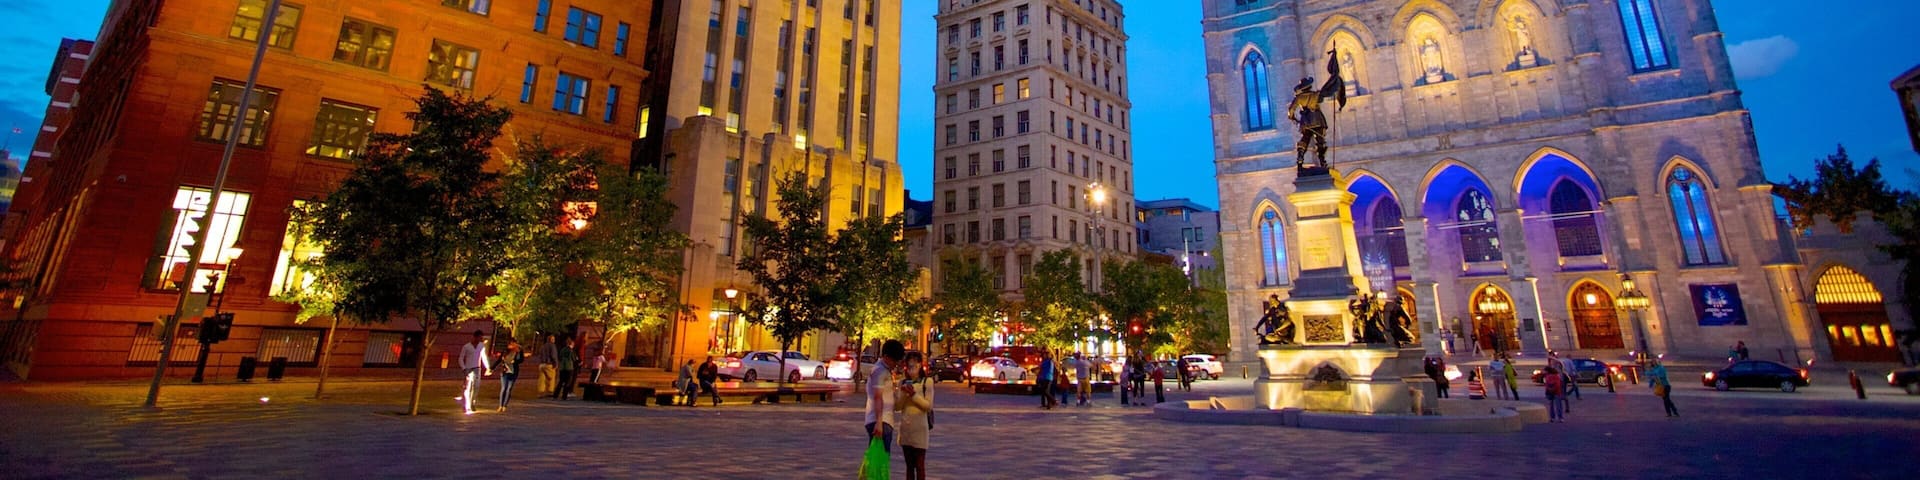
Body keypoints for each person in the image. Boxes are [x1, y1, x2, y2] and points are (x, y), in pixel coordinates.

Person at [894, 352, 933, 480]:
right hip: (906, 429)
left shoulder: (927, 382)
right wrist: (904, 393)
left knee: (920, 465)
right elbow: (897, 407)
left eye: (914, 365)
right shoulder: (902, 382)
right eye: (909, 366)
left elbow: (928, 406)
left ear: (920, 365)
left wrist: (914, 395)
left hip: (920, 429)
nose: (911, 369)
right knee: (909, 466)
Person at [865, 340, 906, 453]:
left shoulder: (884, 370)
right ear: (886, 357)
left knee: (878, 456)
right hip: (881, 421)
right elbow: (878, 397)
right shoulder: (880, 371)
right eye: (894, 360)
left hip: (883, 420)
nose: (896, 364)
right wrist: (879, 422)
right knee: (880, 457)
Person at [458, 330, 490, 415]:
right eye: (480, 337)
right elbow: (461, 358)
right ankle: (465, 405)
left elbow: (483, 356)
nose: (481, 339)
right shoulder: (466, 347)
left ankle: (472, 402)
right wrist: (464, 368)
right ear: (475, 337)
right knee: (466, 387)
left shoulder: (481, 346)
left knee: (476, 386)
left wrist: (487, 367)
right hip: (468, 368)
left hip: (477, 368)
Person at [494, 338, 525, 412]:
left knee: (509, 388)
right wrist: (492, 368)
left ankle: (505, 405)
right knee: (504, 388)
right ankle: (500, 405)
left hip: (513, 371)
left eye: (514, 343)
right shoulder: (505, 351)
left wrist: (515, 361)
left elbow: (521, 360)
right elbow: (499, 360)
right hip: (505, 371)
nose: (513, 345)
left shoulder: (519, 351)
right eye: (511, 344)